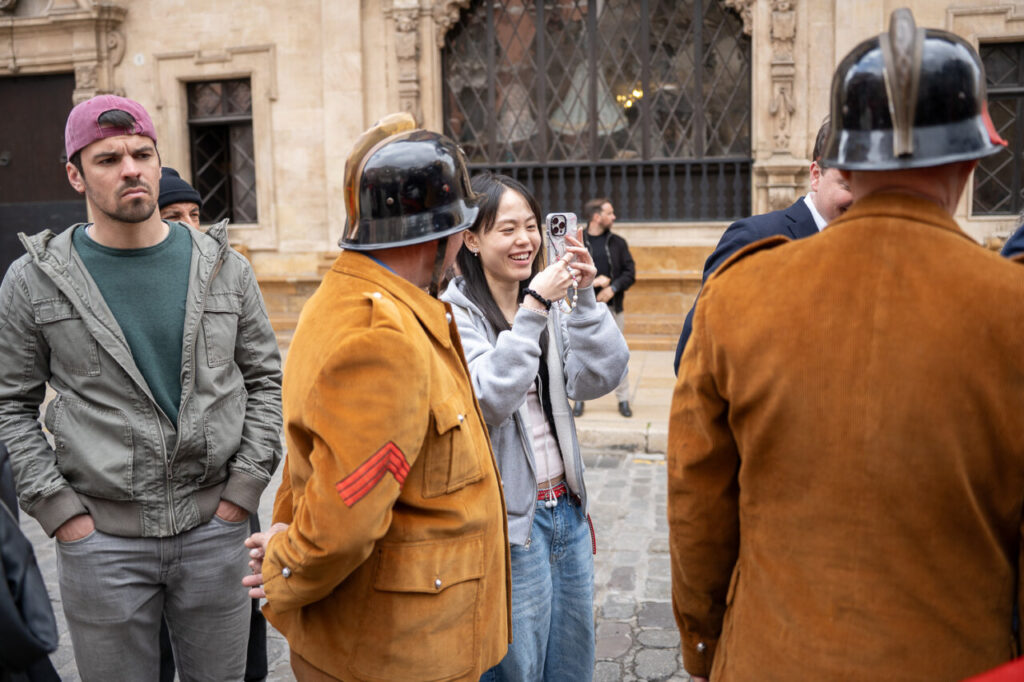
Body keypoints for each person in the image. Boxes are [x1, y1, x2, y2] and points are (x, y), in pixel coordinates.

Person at [669, 9, 1023, 681]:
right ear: (974, 160)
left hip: (770, 657)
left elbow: (697, 503)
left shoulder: (741, 294)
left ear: (846, 163)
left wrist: (706, 643)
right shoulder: (1011, 310)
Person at [0, 94, 283, 680]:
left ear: (158, 163)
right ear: (75, 174)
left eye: (141, 153)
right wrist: (61, 515)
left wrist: (242, 496)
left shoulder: (223, 266)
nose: (130, 168)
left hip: (216, 532)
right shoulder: (34, 281)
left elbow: (264, 381)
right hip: (102, 543)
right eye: (108, 159)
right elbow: (10, 404)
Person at [242, 114, 511, 681]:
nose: (466, 245)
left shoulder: (359, 293)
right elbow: (345, 514)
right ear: (435, 236)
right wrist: (285, 566)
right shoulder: (382, 336)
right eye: (462, 232)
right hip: (396, 652)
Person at [441, 173, 629, 681]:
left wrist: (586, 298)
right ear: (472, 239)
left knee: (571, 665)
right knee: (516, 668)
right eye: (507, 229)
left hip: (566, 512)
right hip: (509, 529)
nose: (524, 240)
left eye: (530, 225)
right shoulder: (453, 315)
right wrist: (534, 309)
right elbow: (489, 398)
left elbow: (600, 376)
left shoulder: (549, 303)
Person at [154, 167, 270, 682]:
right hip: (142, 519)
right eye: (173, 215)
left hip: (225, 499)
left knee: (243, 640)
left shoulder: (230, 275)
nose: (188, 226)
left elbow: (265, 380)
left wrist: (241, 493)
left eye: (195, 215)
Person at [672, 116, 853, 373]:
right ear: (816, 175)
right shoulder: (756, 239)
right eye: (848, 185)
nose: (861, 200)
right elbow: (695, 358)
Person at [573, 197, 635, 418]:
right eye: (610, 213)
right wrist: (592, 282)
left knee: (619, 354)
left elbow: (630, 273)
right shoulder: (578, 244)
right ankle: (578, 401)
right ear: (597, 217)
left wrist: (614, 287)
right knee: (580, 354)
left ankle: (623, 400)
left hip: (613, 309)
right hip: (583, 311)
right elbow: (566, 273)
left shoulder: (618, 243)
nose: (614, 217)